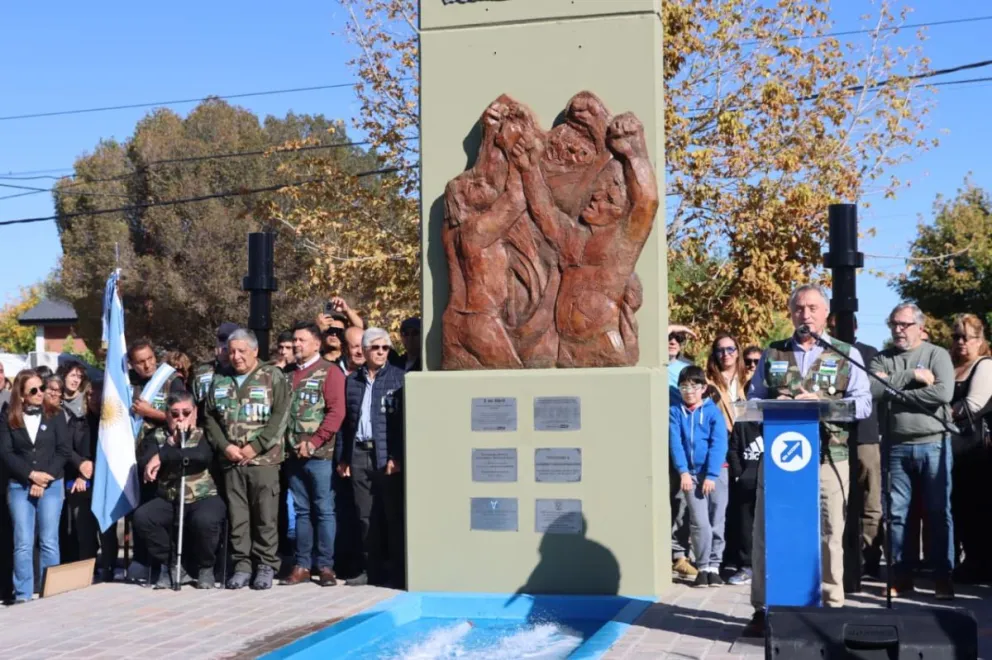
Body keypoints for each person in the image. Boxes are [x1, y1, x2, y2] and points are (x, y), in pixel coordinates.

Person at [744, 284, 872, 636]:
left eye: (813, 308)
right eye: (799, 308)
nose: (806, 314)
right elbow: (751, 403)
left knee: (831, 531)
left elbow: (863, 404)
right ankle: (763, 608)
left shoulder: (845, 353)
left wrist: (822, 403)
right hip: (782, 462)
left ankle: (832, 607)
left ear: (826, 314)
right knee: (767, 531)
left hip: (830, 457)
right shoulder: (772, 354)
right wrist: (777, 406)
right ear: (790, 314)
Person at [869, 303, 955, 600]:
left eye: (904, 324)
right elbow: (871, 389)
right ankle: (899, 577)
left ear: (920, 326)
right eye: (893, 323)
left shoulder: (937, 354)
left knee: (937, 513)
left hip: (934, 443)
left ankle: (942, 578)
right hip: (895, 445)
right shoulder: (883, 357)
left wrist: (894, 390)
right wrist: (912, 376)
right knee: (896, 515)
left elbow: (943, 393)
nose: (897, 330)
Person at [204, 329, 290, 590]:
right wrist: (225, 446)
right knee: (238, 516)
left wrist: (256, 446)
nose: (236, 356)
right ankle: (242, 565)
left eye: (242, 351)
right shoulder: (220, 380)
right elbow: (209, 418)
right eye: (232, 351)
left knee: (265, 516)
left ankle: (265, 565)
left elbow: (280, 416)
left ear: (255, 351)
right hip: (231, 461)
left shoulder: (273, 376)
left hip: (263, 461)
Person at [134, 392, 227, 590]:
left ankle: (206, 567)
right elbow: (144, 463)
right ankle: (173, 565)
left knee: (205, 521)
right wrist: (170, 445)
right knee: (144, 517)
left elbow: (201, 457)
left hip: (202, 495)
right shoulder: (157, 437)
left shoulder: (204, 435)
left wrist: (162, 457)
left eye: (186, 413)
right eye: (175, 414)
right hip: (170, 497)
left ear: (195, 413)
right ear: (167, 415)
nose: (181, 419)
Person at [337, 328, 406, 588]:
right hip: (358, 453)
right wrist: (343, 458)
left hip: (386, 456)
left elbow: (403, 424)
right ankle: (371, 570)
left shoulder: (400, 378)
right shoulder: (352, 381)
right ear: (364, 351)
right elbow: (346, 422)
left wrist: (396, 456)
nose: (380, 352)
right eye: (375, 348)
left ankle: (398, 572)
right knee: (364, 516)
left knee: (392, 515)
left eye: (385, 348)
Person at [280, 322, 346, 587]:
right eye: (294, 340)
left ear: (316, 344)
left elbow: (336, 412)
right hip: (293, 456)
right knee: (302, 511)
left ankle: (326, 566)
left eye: (302, 340)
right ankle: (302, 565)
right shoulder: (286, 376)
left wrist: (315, 441)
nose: (297, 345)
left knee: (324, 511)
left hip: (320, 456)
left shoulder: (329, 372)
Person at [0, 370, 72, 604]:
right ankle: (23, 595)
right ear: (21, 395)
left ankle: (51, 593)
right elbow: (6, 452)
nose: (41, 393)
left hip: (52, 485)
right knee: (23, 541)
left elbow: (63, 450)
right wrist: (31, 475)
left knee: (49, 540)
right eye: (34, 390)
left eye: (41, 388)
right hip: (20, 485)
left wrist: (45, 477)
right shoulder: (8, 416)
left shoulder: (56, 414)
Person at [828, 312, 883, 576]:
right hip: (833, 439)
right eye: (835, 324)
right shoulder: (823, 353)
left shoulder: (870, 353)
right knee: (837, 501)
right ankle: (841, 560)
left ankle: (870, 559)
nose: (839, 328)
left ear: (857, 326)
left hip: (865, 437)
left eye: (846, 325)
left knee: (870, 502)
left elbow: (876, 387)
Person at [670, 366, 729, 587]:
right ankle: (702, 566)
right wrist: (684, 471)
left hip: (715, 473)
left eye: (694, 386)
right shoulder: (675, 412)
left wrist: (712, 475)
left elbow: (718, 443)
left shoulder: (713, 412)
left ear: (703, 388)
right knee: (699, 522)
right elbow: (676, 444)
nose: (689, 391)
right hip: (691, 475)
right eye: (684, 386)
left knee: (716, 520)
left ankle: (715, 566)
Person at [947, 313, 992, 584]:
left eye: (967, 337)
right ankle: (971, 561)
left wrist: (936, 411)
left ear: (979, 340)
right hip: (954, 447)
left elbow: (973, 405)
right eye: (956, 337)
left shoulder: (985, 366)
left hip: (976, 449)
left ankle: (982, 564)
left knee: (978, 506)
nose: (961, 342)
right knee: (959, 506)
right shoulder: (951, 366)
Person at [667, 324, 698, 581]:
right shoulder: (655, 364)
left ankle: (679, 555)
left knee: (681, 497)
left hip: (680, 438)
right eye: (668, 337)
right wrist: (675, 326)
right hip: (654, 436)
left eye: (677, 338)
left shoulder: (685, 368)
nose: (673, 341)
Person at [191, 322, 237, 417]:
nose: (224, 346)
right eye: (222, 340)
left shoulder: (241, 371)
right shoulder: (201, 372)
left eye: (229, 341)